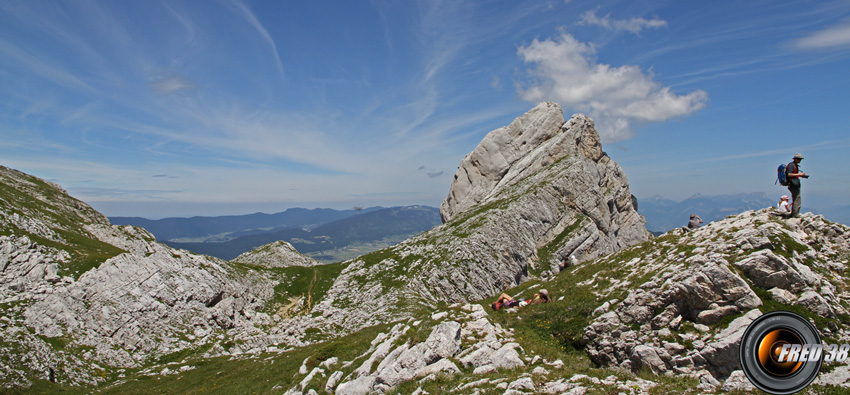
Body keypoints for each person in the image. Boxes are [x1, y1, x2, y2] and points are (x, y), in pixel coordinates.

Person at [785, 153, 809, 218]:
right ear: (795, 159)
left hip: (794, 183)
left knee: (796, 197)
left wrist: (802, 176)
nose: (800, 160)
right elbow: (789, 174)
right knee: (797, 198)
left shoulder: (795, 165)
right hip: (793, 184)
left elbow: (793, 175)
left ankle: (794, 213)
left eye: (800, 159)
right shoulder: (792, 165)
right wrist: (799, 174)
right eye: (799, 159)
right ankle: (795, 214)